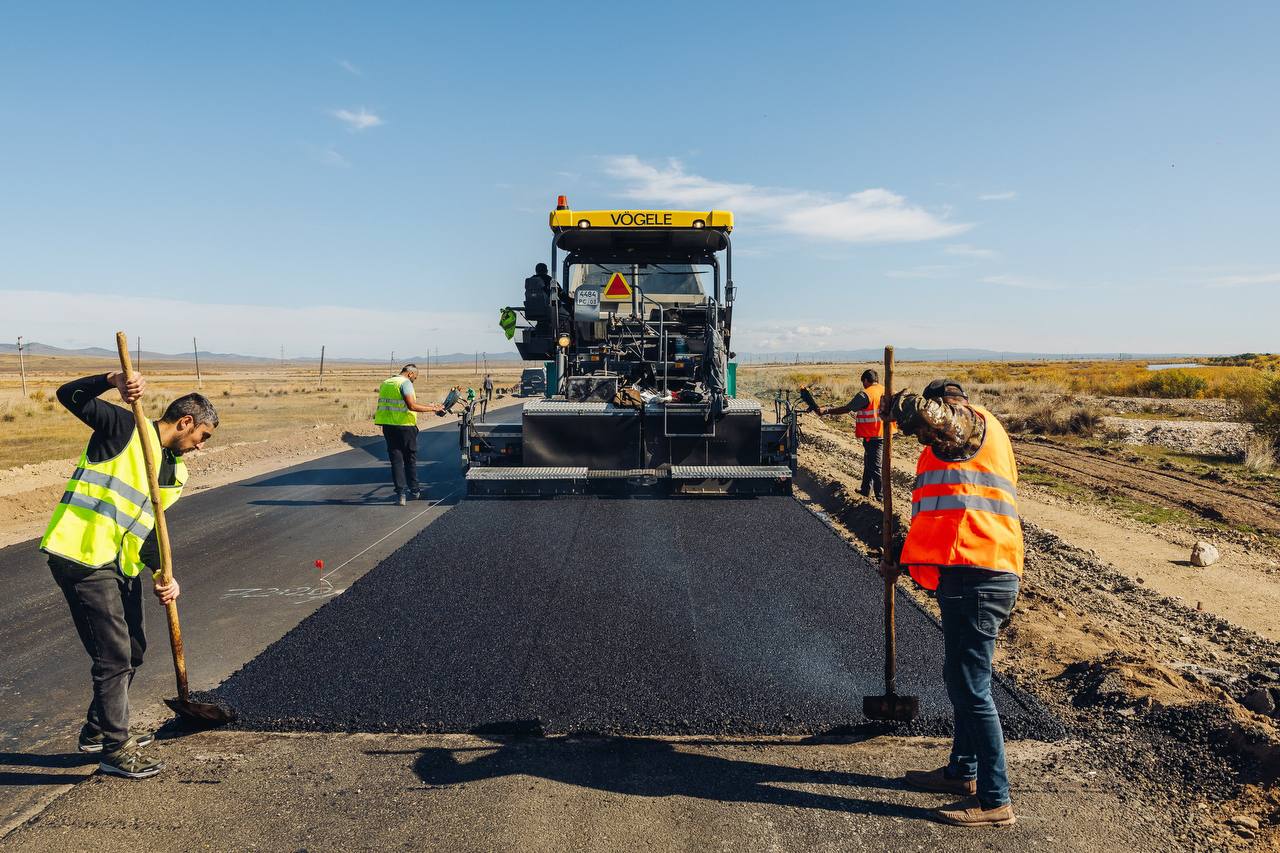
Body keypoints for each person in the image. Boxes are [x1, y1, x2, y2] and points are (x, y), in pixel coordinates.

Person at [41, 371, 219, 779]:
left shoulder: (174, 471)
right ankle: (115, 749)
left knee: (134, 649)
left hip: (118, 562)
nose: (200, 447)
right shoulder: (122, 427)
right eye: (202, 436)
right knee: (113, 656)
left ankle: (97, 729)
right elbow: (69, 395)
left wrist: (162, 572)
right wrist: (111, 379)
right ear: (186, 421)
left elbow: (149, 527)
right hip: (80, 555)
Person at [885, 378, 1024, 828]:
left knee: (971, 688)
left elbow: (936, 419)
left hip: (980, 573)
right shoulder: (956, 451)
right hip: (965, 571)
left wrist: (900, 405)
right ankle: (962, 772)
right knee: (962, 679)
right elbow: (945, 518)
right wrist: (903, 560)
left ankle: (995, 799)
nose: (924, 437)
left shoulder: (970, 425)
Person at [814, 368, 894, 501]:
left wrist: (826, 410)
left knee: (875, 467)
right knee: (869, 463)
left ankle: (881, 498)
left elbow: (847, 408)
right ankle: (865, 490)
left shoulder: (865, 394)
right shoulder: (887, 390)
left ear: (866, 381)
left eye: (863, 382)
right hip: (885, 434)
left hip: (873, 435)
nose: (863, 385)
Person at [374, 364, 444, 506]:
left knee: (396, 461)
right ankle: (415, 490)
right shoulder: (405, 383)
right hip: (405, 427)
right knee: (409, 459)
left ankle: (400, 495)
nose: (414, 381)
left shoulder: (386, 383)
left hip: (388, 427)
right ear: (411, 374)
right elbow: (412, 405)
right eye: (415, 378)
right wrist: (433, 409)